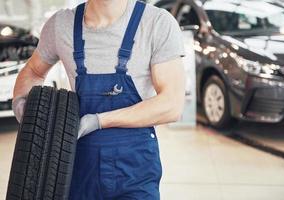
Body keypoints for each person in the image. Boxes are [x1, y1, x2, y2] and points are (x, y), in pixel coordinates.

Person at [12, 0, 185, 199]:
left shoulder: (157, 23)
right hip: (77, 166)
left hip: (135, 171)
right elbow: (33, 70)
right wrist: (23, 104)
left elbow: (172, 105)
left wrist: (99, 121)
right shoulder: (61, 24)